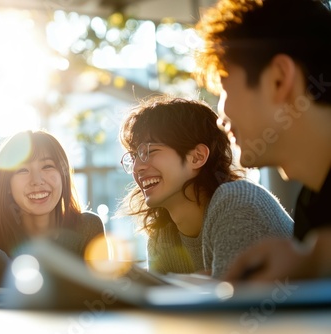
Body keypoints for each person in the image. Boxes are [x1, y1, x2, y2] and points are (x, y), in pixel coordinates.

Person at [194, 0, 331, 281]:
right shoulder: (313, 205)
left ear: (280, 80)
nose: (221, 118)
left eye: (224, 88)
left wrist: (316, 258)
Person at [117, 95, 293, 278]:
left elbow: (233, 300)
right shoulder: (162, 236)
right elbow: (159, 303)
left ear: (197, 157)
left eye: (150, 151)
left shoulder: (236, 201)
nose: (137, 167)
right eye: (134, 156)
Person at [0, 130, 106, 259]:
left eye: (47, 166)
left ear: (63, 176)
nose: (37, 181)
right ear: (6, 184)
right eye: (22, 170)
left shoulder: (87, 228)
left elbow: (96, 285)